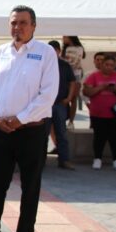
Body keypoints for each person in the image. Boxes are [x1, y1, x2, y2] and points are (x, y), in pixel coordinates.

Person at [0, 5, 58, 232]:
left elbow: (48, 95)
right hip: (3, 130)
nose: (18, 27)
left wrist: (20, 119)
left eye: (23, 23)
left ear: (33, 26)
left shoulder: (45, 53)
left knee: (30, 187)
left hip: (32, 132)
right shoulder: (0, 52)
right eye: (14, 22)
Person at [83, 55, 116, 171]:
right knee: (99, 137)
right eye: (107, 65)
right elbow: (87, 91)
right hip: (98, 113)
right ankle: (97, 159)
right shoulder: (93, 76)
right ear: (101, 65)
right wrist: (101, 87)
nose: (109, 67)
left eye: (112, 65)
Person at [46, 41, 78, 170]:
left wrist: (69, 97)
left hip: (60, 104)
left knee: (61, 133)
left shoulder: (65, 65)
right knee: (42, 134)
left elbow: (72, 82)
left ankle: (64, 160)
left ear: (59, 51)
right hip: (44, 105)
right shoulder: (42, 64)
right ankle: (40, 160)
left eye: (55, 50)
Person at [62, 36, 85, 125]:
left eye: (65, 37)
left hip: (75, 75)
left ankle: (71, 121)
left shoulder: (79, 48)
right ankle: (64, 120)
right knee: (65, 97)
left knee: (73, 98)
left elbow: (73, 62)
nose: (63, 39)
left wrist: (64, 61)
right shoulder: (66, 48)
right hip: (66, 75)